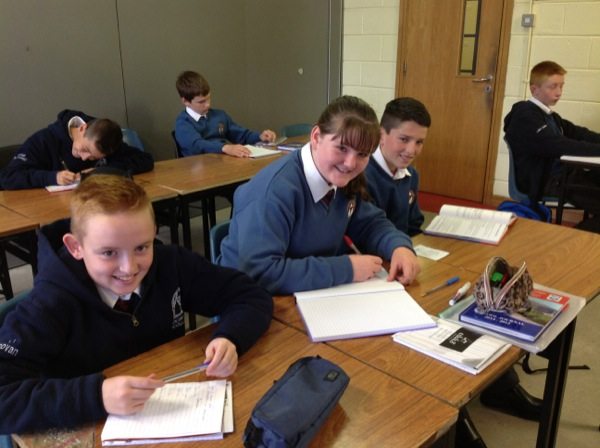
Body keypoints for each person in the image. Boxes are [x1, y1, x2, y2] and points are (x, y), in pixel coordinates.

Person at [0, 174, 272, 433]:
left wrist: (230, 337)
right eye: (109, 252)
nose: (129, 268)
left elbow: (250, 295)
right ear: (76, 247)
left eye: (142, 247)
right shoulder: (50, 303)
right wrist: (96, 396)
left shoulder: (172, 264)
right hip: (90, 428)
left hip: (170, 415)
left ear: (154, 233)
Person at [218, 95, 420, 295]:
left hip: (310, 293)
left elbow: (370, 223)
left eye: (362, 154)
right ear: (316, 137)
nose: (350, 163)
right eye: (341, 148)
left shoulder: (341, 178)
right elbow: (260, 272)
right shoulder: (274, 191)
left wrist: (398, 247)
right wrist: (346, 269)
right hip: (247, 299)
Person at [504, 60, 600, 213]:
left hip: (559, 176)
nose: (559, 92)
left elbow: (579, 133)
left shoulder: (550, 116)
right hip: (543, 181)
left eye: (561, 86)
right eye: (553, 86)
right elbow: (557, 145)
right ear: (534, 90)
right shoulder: (525, 115)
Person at [0, 109, 154, 190]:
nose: (85, 158)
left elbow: (145, 160)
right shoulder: (43, 140)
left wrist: (102, 171)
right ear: (82, 128)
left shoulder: (105, 138)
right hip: (47, 212)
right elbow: (8, 177)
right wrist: (53, 177)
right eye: (85, 149)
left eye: (93, 158)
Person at [364, 97, 429, 236]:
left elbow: (413, 225)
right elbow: (369, 232)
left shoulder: (411, 176)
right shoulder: (362, 176)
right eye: (404, 139)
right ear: (381, 135)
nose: (411, 150)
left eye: (419, 142)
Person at [174, 70, 277, 158]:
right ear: (185, 101)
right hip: (199, 168)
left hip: (223, 163)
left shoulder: (219, 116)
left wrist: (260, 137)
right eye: (201, 102)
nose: (208, 105)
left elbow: (241, 135)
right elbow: (197, 145)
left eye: (208, 98)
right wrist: (225, 148)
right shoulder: (183, 123)